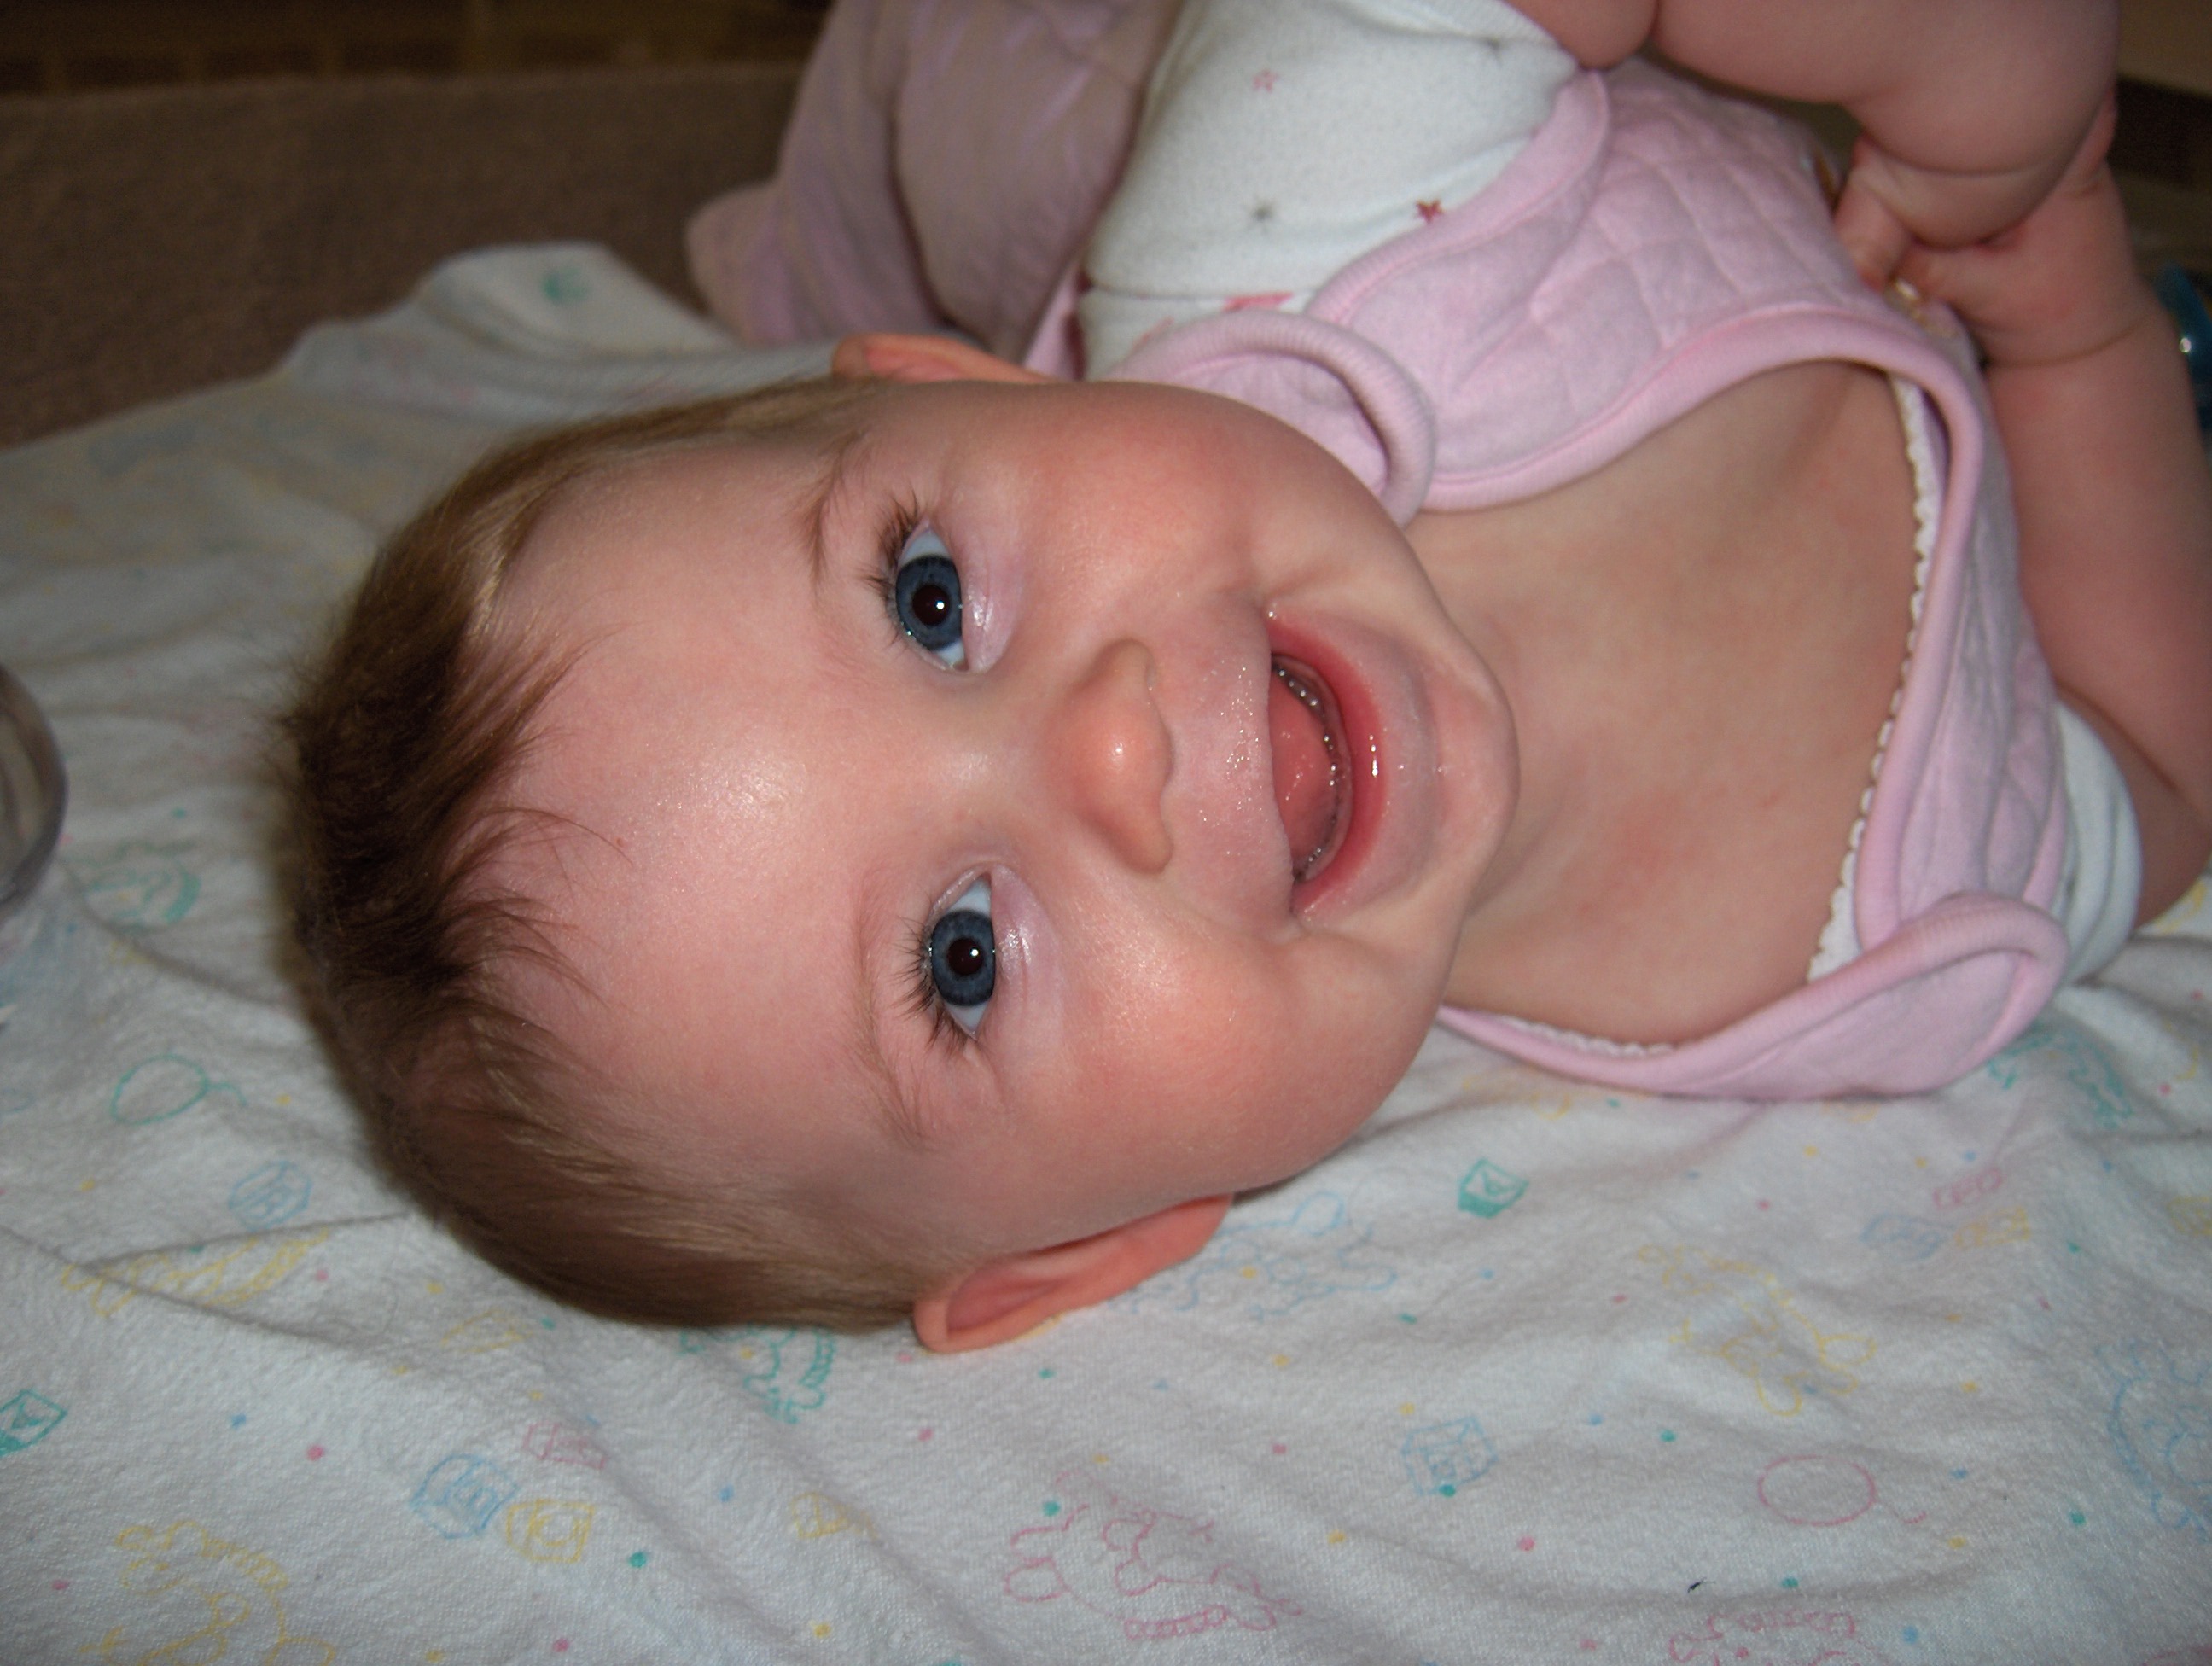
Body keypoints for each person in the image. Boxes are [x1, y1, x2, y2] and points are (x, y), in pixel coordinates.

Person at [286, 0, 2212, 1352]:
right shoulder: (1881, 944)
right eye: (962, 960)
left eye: (932, 598)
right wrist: (2077, 324)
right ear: (1093, 1239)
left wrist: (1950, 52)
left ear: (966, 396)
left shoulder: (1310, 207)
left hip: (1104, 104)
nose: (1110, 745)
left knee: (980, 86)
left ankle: (829, 219)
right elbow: (2159, 768)